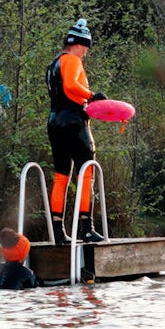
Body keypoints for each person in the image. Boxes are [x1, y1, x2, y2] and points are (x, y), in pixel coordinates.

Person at [46, 17, 107, 245]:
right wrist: (92, 96)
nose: (86, 53)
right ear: (79, 44)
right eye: (86, 48)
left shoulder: (53, 64)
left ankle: (58, 231)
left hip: (55, 122)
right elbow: (71, 85)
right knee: (87, 172)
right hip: (74, 121)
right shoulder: (72, 60)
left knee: (61, 176)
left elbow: (62, 90)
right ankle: (86, 228)